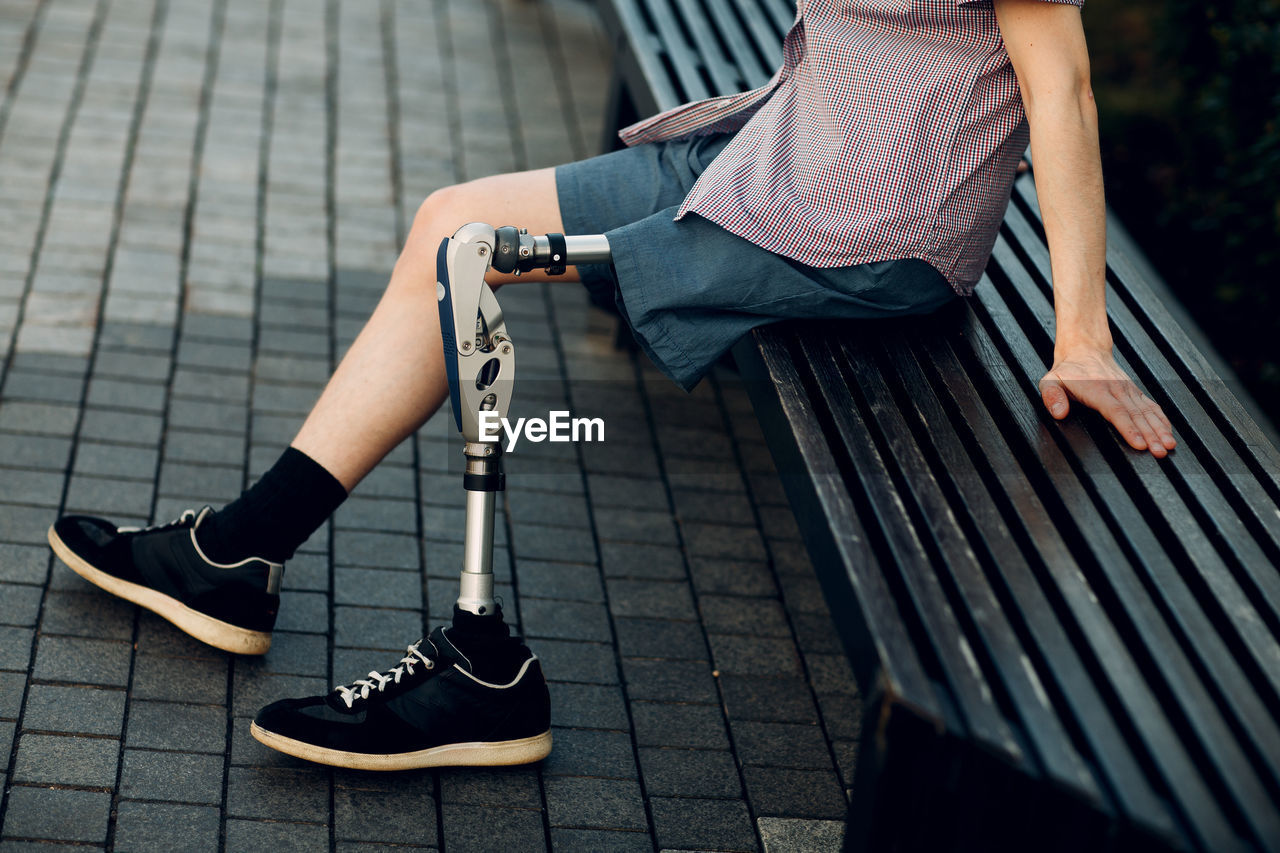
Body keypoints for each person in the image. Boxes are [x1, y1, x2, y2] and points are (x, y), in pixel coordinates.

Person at [46, 0, 1174, 770]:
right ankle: (236, 556)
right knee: (450, 219)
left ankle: (483, 669)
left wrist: (1081, 337)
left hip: (857, 230)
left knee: (470, 262)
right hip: (779, 153)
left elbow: (1059, 88)